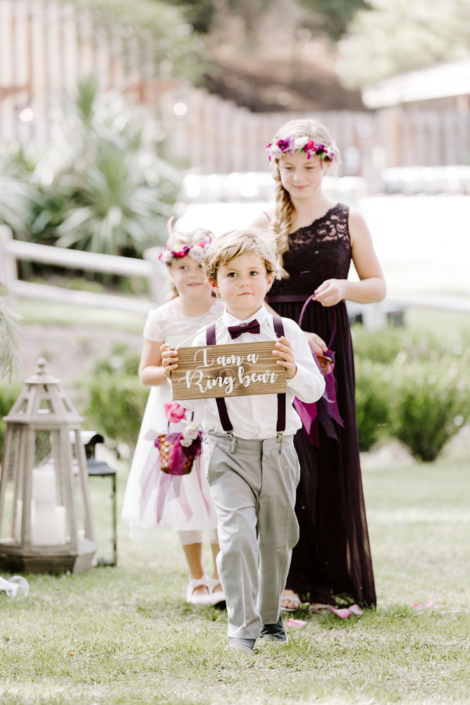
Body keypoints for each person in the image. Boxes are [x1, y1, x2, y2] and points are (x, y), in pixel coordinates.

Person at [162, 230, 325, 653]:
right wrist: (177, 374)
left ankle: (271, 618)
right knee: (234, 539)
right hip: (226, 451)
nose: (244, 282)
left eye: (254, 272)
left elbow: (313, 392)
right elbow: (194, 404)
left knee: (276, 539)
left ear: (269, 278)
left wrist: (291, 370)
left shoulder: (286, 330)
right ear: (214, 281)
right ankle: (242, 626)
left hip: (277, 449)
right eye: (232, 274)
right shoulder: (203, 342)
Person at [252, 119, 386, 612]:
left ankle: (327, 573)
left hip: (326, 340)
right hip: (279, 342)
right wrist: (288, 333)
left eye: (308, 167)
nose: (299, 177)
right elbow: (244, 291)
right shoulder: (264, 222)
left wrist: (345, 287)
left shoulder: (349, 218)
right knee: (283, 456)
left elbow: (377, 285)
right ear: (277, 166)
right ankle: (284, 578)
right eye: (289, 168)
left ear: (326, 163)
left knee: (323, 454)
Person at [121, 221, 225, 607]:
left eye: (200, 265)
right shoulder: (161, 317)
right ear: (170, 272)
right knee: (186, 495)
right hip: (174, 417)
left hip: (216, 412)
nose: (193, 274)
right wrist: (167, 367)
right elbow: (145, 373)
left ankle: (221, 575)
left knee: (218, 495)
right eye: (183, 267)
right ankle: (196, 576)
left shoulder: (224, 311)